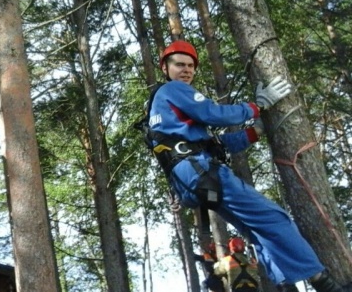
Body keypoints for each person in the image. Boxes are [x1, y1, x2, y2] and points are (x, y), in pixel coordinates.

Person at [148, 40, 351, 292]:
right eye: (179, 65)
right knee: (273, 219)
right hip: (201, 172)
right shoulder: (172, 90)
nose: (186, 70)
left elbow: (214, 144)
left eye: (191, 66)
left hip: (193, 180)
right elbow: (213, 113)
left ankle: (287, 287)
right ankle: (326, 285)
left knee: (257, 231)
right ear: (165, 68)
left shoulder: (166, 111)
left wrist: (254, 133)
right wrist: (256, 107)